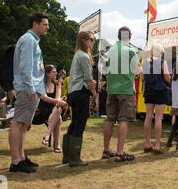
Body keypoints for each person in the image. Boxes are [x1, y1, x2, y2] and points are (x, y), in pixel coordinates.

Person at [9, 12, 66, 173]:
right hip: (28, 89)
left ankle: (21, 157)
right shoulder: (28, 40)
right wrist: (30, 89)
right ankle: (16, 161)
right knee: (18, 123)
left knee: (24, 124)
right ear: (35, 23)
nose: (48, 27)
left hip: (31, 89)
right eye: (45, 24)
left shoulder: (32, 41)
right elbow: (26, 68)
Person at [102, 26, 142, 162]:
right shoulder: (131, 50)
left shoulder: (111, 50)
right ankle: (119, 152)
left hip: (112, 88)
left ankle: (106, 150)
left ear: (118, 36)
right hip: (125, 89)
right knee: (124, 119)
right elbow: (137, 71)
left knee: (110, 119)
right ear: (129, 36)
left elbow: (105, 70)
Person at [62, 31, 98, 167]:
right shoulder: (83, 56)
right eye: (91, 39)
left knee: (74, 123)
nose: (93, 42)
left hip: (73, 92)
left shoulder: (78, 54)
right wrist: (95, 95)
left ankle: (67, 156)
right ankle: (75, 159)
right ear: (84, 40)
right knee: (80, 124)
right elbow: (89, 79)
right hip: (81, 92)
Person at [141, 43, 171, 155]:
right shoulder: (163, 62)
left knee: (148, 117)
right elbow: (167, 78)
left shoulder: (145, 62)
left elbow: (142, 78)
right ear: (161, 52)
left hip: (148, 90)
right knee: (158, 118)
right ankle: (157, 145)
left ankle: (147, 143)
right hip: (160, 91)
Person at [32, 65, 66, 153]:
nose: (56, 74)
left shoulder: (57, 83)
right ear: (47, 74)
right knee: (58, 117)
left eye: (55, 72)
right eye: (53, 72)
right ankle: (57, 145)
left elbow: (57, 99)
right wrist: (59, 101)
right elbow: (44, 98)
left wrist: (59, 101)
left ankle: (47, 136)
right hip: (41, 110)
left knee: (57, 112)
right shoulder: (40, 84)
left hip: (53, 109)